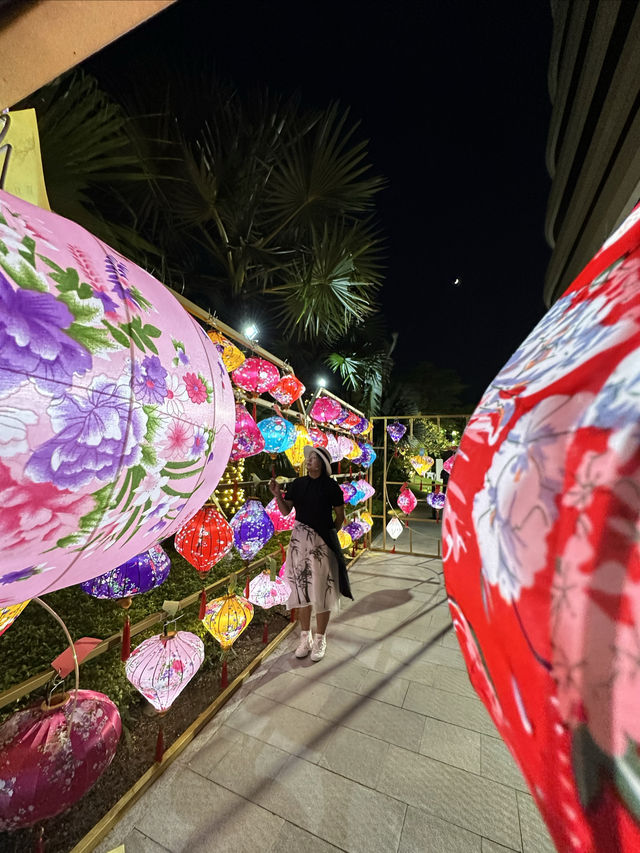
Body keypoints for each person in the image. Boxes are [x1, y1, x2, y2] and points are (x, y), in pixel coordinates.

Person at [269, 444, 346, 661]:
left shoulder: (331, 487)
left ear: (321, 463)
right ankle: (306, 638)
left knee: (322, 590)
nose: (309, 460)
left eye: (313, 458)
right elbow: (286, 511)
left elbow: (340, 517)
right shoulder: (298, 483)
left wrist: (328, 535)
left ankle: (320, 638)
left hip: (322, 543)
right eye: (309, 457)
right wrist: (277, 495)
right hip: (299, 540)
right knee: (301, 588)